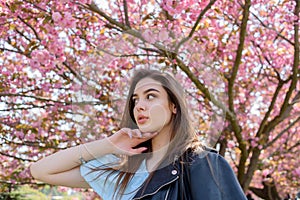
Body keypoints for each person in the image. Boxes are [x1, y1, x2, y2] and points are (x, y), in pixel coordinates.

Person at [30, 69, 247, 200]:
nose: (139, 106)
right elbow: (41, 170)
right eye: (135, 100)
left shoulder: (204, 164)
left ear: (173, 106)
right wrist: (108, 145)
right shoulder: (125, 173)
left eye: (150, 96)